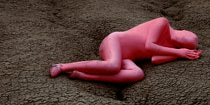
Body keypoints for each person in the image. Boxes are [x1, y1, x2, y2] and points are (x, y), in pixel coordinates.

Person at [49, 17, 200, 84]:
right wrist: (178, 52)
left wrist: (181, 55)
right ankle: (62, 66)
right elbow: (149, 46)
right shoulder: (163, 23)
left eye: (182, 45)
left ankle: (84, 75)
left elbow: (155, 59)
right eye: (182, 38)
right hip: (115, 42)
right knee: (113, 66)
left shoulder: (171, 48)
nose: (178, 43)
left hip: (127, 57)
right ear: (183, 30)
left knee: (138, 74)